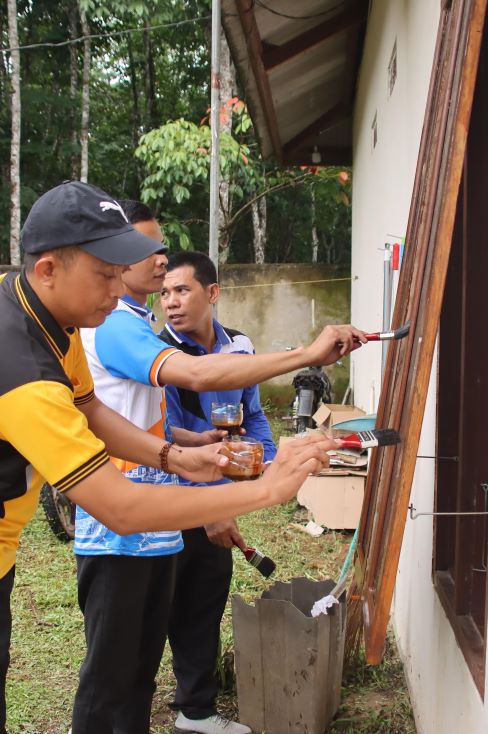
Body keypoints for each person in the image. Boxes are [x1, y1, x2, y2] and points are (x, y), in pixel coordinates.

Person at [0, 181, 349, 733]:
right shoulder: (15, 365)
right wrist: (270, 488)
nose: (119, 286)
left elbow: (89, 407)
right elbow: (119, 507)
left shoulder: (43, 311)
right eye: (104, 273)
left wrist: (171, 455)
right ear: (48, 269)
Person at [71, 202, 365, 734]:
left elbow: (128, 418)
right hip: (119, 528)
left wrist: (184, 451)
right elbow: (197, 376)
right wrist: (306, 354)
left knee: (138, 669)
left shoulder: (135, 323)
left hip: (156, 522)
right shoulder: (117, 327)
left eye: (162, 250)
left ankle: (193, 709)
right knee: (111, 674)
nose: (160, 263)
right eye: (146, 250)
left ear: (212, 294)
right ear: (111, 257)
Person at [159, 250, 274, 734]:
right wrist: (211, 506)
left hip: (217, 490)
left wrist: (263, 459)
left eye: (181, 290)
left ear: (212, 293)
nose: (170, 303)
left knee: (203, 599)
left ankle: (195, 709)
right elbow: (163, 433)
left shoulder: (240, 348)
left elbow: (254, 415)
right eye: (163, 292)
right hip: (164, 496)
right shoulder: (160, 354)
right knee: (155, 606)